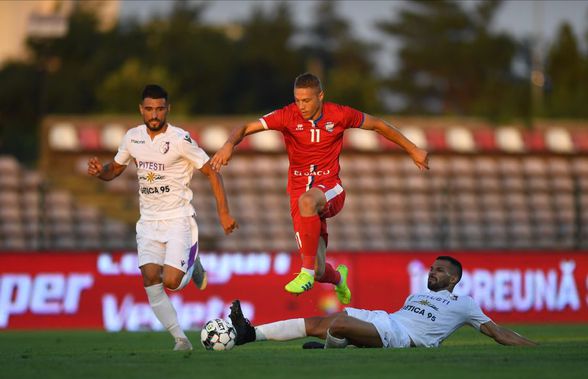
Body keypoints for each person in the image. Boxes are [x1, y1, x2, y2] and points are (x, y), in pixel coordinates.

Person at [210, 73, 429, 303]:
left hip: (330, 187)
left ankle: (304, 273)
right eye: (297, 100)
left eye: (306, 100)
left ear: (320, 96)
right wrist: (228, 145)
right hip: (298, 193)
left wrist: (413, 149)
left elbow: (377, 125)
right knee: (318, 267)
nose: (301, 106)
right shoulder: (287, 115)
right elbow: (245, 127)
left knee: (308, 204)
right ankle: (338, 279)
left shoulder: (340, 114)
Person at [87, 84, 238, 351]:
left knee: (172, 282)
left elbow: (213, 172)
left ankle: (193, 266)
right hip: (148, 222)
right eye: (149, 109)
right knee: (149, 278)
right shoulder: (132, 138)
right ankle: (180, 339)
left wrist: (223, 213)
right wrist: (101, 171)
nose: (154, 114)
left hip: (178, 218)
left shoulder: (180, 139)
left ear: (168, 109)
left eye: (159, 109)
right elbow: (115, 169)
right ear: (141, 110)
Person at [228, 256, 537, 349]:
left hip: (405, 338)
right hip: (386, 320)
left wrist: (535, 347)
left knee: (338, 325)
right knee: (321, 321)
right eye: (431, 268)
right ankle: (249, 334)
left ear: (454, 279)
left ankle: (335, 346)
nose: (432, 273)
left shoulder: (464, 303)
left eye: (440, 271)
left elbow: (497, 333)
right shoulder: (417, 295)